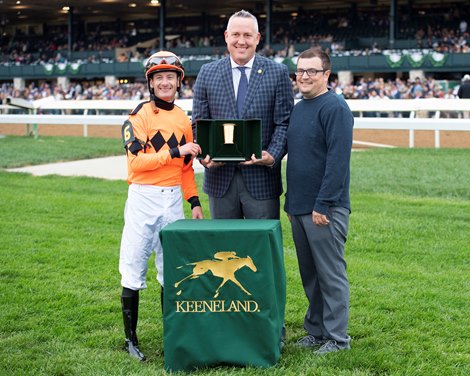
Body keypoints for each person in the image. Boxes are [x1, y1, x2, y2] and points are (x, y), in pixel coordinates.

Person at [118, 51, 203, 361]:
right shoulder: (138, 115)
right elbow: (137, 164)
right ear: (150, 83)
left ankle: (173, 333)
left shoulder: (183, 118)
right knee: (134, 265)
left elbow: (186, 167)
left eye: (170, 77)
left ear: (179, 82)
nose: (165, 82)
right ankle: (130, 339)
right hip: (143, 197)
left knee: (172, 269)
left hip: (172, 201)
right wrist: (175, 150)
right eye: (159, 78)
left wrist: (193, 201)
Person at [192, 9, 294, 220]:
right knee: (225, 248)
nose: (241, 41)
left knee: (261, 247)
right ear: (226, 36)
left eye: (247, 35)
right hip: (220, 181)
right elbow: (198, 123)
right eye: (236, 34)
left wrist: (272, 155)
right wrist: (204, 157)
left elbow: (284, 122)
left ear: (257, 38)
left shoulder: (277, 72)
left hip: (261, 181)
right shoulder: (207, 72)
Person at [284, 47, 354, 355]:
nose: (304, 76)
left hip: (324, 208)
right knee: (310, 274)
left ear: (326, 74)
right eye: (300, 71)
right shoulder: (299, 108)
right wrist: (291, 205)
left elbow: (337, 162)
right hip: (299, 206)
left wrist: (323, 204)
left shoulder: (335, 108)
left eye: (312, 71)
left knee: (330, 274)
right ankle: (315, 330)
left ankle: (337, 339)